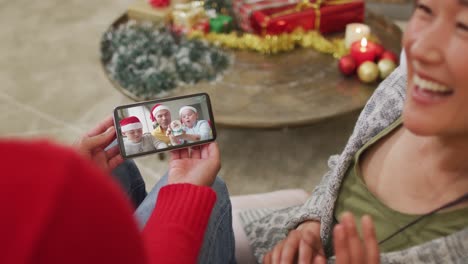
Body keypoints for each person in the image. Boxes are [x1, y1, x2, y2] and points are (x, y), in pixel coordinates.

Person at [241, 1, 468, 263]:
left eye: (463, 27)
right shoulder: (401, 89)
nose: (419, 48)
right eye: (425, 10)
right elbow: (340, 173)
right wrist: (311, 225)